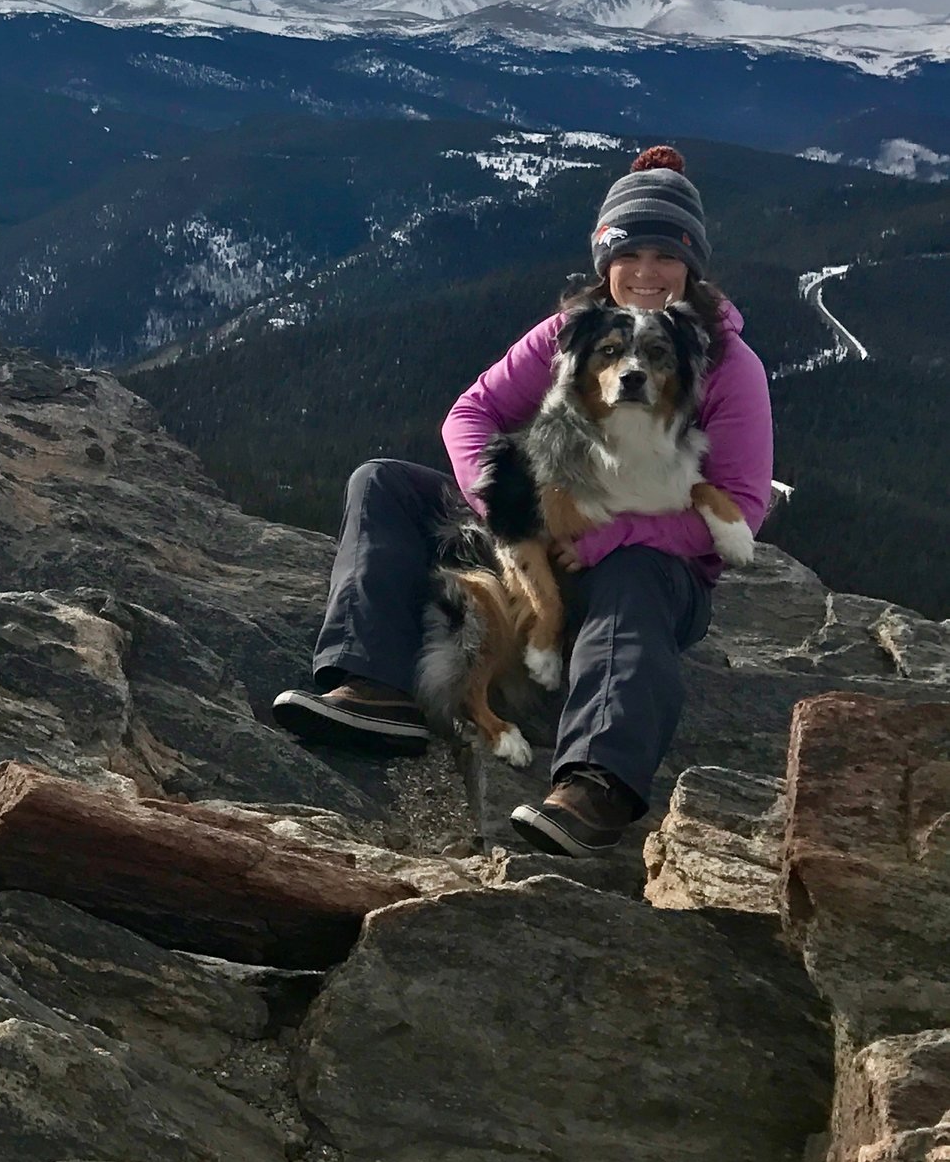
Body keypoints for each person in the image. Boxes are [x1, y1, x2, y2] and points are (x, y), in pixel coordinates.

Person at [270, 146, 774, 857]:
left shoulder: (726, 363)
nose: (648, 272)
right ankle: (373, 684)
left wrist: (601, 542)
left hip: (647, 566)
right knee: (382, 481)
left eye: (668, 253)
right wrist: (499, 501)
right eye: (631, 252)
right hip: (540, 530)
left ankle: (595, 784)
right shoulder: (573, 334)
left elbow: (744, 506)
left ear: (694, 264)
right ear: (606, 261)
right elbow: (470, 413)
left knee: (633, 583)